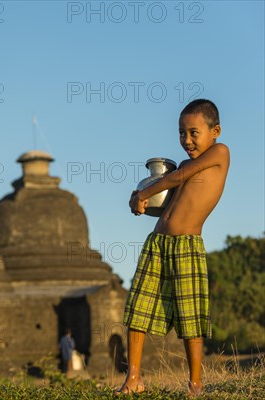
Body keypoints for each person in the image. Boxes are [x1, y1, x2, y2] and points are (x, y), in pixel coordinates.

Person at [118, 99, 230, 397]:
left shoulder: (220, 153)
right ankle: (134, 378)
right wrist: (142, 201)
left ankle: (195, 384)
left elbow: (179, 177)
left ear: (215, 130)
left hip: (187, 246)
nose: (187, 140)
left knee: (190, 316)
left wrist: (144, 192)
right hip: (158, 242)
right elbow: (170, 195)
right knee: (137, 308)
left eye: (194, 132)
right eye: (182, 133)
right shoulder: (182, 165)